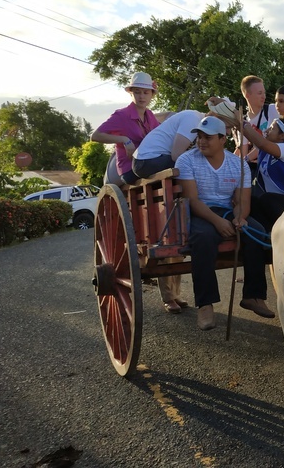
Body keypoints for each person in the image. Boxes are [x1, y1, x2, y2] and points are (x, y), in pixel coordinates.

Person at [175, 116, 274, 330]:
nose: (201, 141)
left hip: (228, 210)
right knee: (203, 238)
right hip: (200, 212)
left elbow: (243, 201)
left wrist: (239, 217)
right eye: (199, 136)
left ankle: (253, 296)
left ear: (223, 139)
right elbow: (192, 200)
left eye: (207, 137)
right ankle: (205, 304)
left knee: (255, 232)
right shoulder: (186, 161)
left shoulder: (238, 165)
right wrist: (218, 222)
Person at [130, 109, 205, 314]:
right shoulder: (193, 119)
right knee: (167, 240)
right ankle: (168, 298)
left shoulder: (195, 121)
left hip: (153, 160)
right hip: (147, 162)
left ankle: (176, 295)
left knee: (178, 246)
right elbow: (176, 156)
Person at [215, 102, 284, 231]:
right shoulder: (265, 152)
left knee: (266, 199)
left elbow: (261, 143)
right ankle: (264, 235)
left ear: (282, 136)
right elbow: (249, 154)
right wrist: (224, 107)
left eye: (272, 128)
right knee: (251, 202)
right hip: (273, 202)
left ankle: (279, 232)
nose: (267, 130)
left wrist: (241, 121)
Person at [91, 72, 160, 185]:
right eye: (137, 92)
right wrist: (124, 139)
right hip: (130, 169)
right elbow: (95, 136)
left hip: (148, 162)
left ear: (151, 95)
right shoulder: (121, 115)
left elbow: (160, 135)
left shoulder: (150, 115)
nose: (141, 96)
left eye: (145, 92)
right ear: (131, 93)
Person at [236, 76, 279, 171]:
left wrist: (247, 159)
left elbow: (268, 142)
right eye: (260, 93)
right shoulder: (243, 122)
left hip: (275, 165)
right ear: (247, 95)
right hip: (259, 169)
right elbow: (242, 153)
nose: (264, 96)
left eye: (264, 92)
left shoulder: (272, 110)